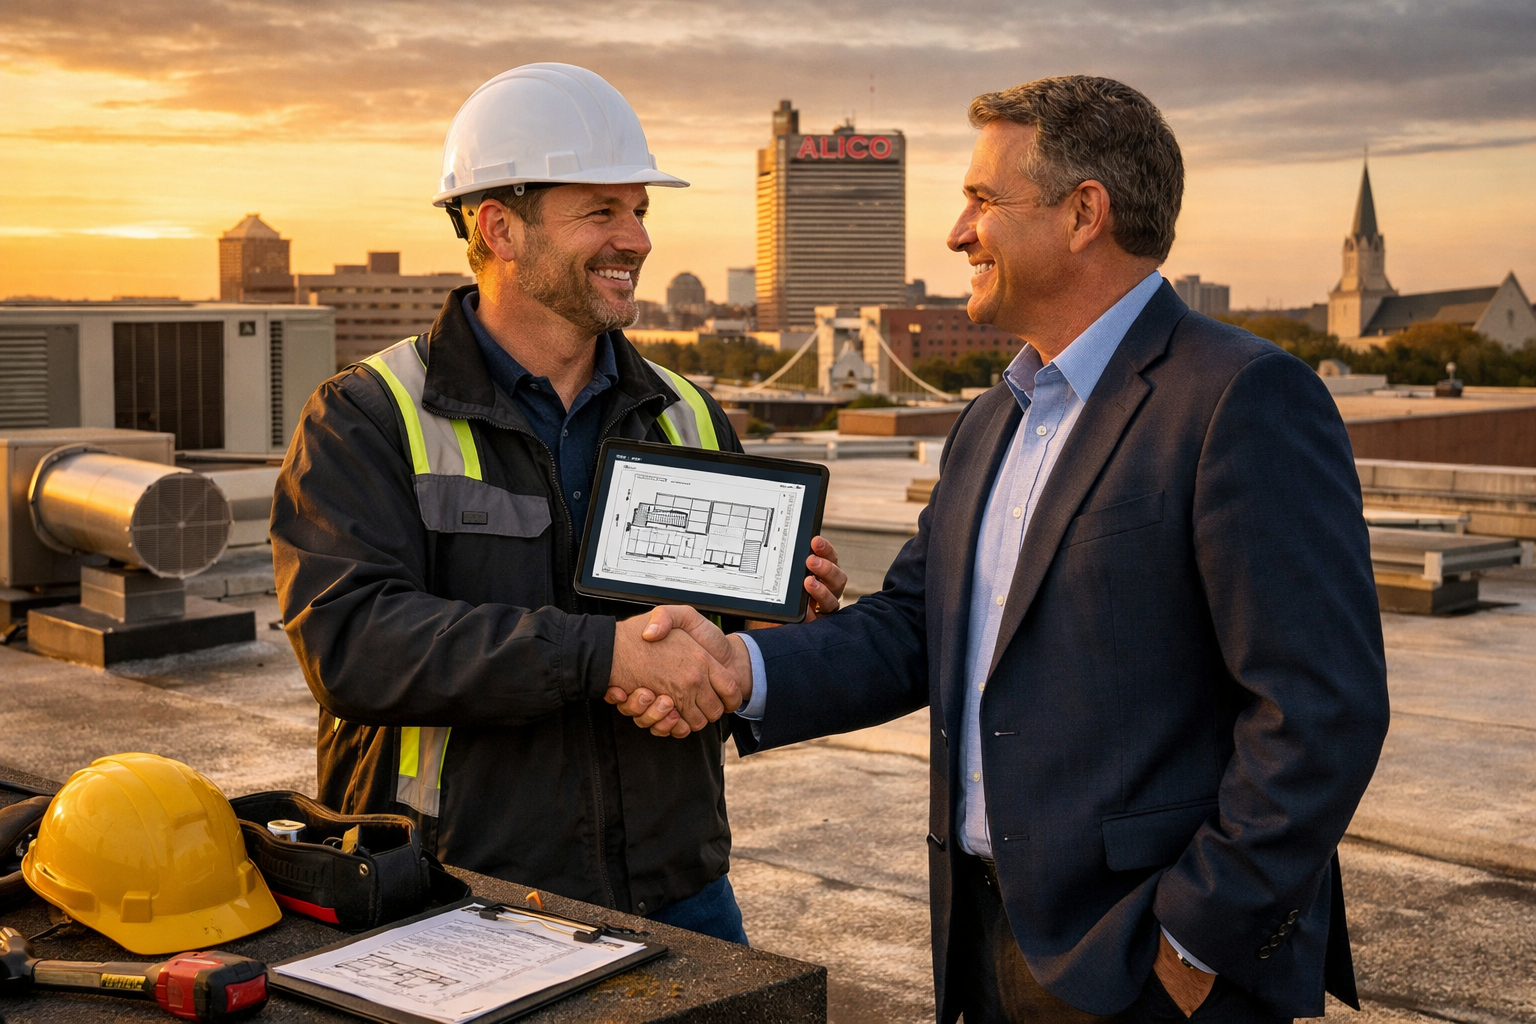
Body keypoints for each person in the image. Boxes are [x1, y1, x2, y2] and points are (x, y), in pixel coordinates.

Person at [615, 76, 1390, 1020]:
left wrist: (1192, 943)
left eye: (983, 201)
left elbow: (1322, 711)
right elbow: (912, 629)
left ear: (1083, 214)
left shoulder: (1242, 398)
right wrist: (738, 668)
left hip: (1150, 961)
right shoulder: (990, 420)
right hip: (981, 939)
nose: (956, 233)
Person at [270, 63, 844, 944]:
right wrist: (600, 656)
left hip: (678, 892)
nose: (639, 239)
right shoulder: (369, 415)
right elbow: (351, 643)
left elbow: (715, 646)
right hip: (456, 896)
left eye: (641, 210)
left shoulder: (684, 414)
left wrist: (778, 618)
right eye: (601, 211)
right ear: (499, 226)